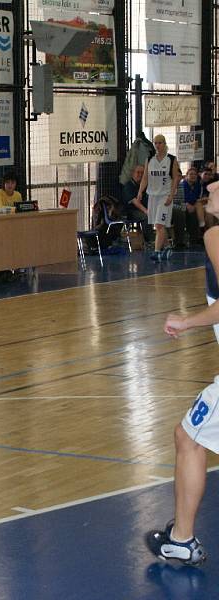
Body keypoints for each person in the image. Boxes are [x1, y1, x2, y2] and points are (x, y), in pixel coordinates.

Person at [146, 179, 219, 568]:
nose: (209, 188)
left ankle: (181, 539)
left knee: (187, 437)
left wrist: (186, 322)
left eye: (217, 184)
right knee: (187, 436)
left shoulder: (215, 234)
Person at [136, 134, 181, 261]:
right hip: (152, 196)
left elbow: (175, 179)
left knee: (159, 225)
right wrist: (140, 192)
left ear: (164, 144)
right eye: (155, 143)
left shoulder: (171, 159)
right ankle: (167, 247)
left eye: (160, 143)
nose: (157, 145)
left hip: (164, 196)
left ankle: (156, 252)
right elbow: (145, 177)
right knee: (158, 226)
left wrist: (171, 196)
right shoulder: (150, 159)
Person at [179, 166, 204, 247]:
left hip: (193, 205)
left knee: (195, 212)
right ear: (186, 176)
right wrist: (187, 204)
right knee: (185, 211)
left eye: (195, 174)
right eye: (191, 174)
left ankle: (195, 239)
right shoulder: (182, 184)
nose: (193, 176)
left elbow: (197, 198)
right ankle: (183, 240)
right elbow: (181, 199)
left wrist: (193, 205)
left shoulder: (198, 185)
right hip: (181, 204)